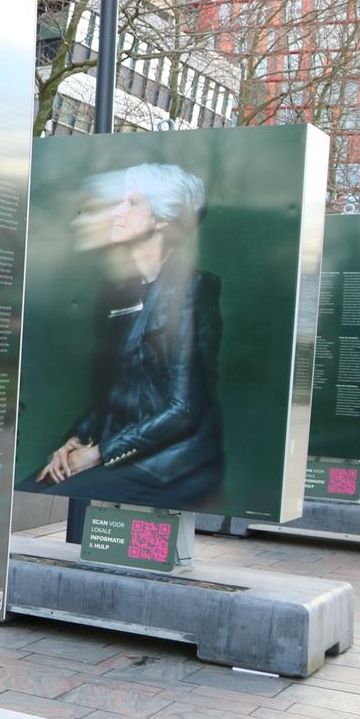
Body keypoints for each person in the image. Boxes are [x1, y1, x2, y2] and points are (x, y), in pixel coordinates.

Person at [21, 163, 224, 508]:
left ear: (162, 218)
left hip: (166, 463)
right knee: (30, 489)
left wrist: (99, 453)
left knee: (49, 499)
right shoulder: (124, 291)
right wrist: (75, 439)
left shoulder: (193, 289)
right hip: (118, 447)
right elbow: (115, 390)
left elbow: (182, 409)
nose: (117, 211)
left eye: (131, 203)